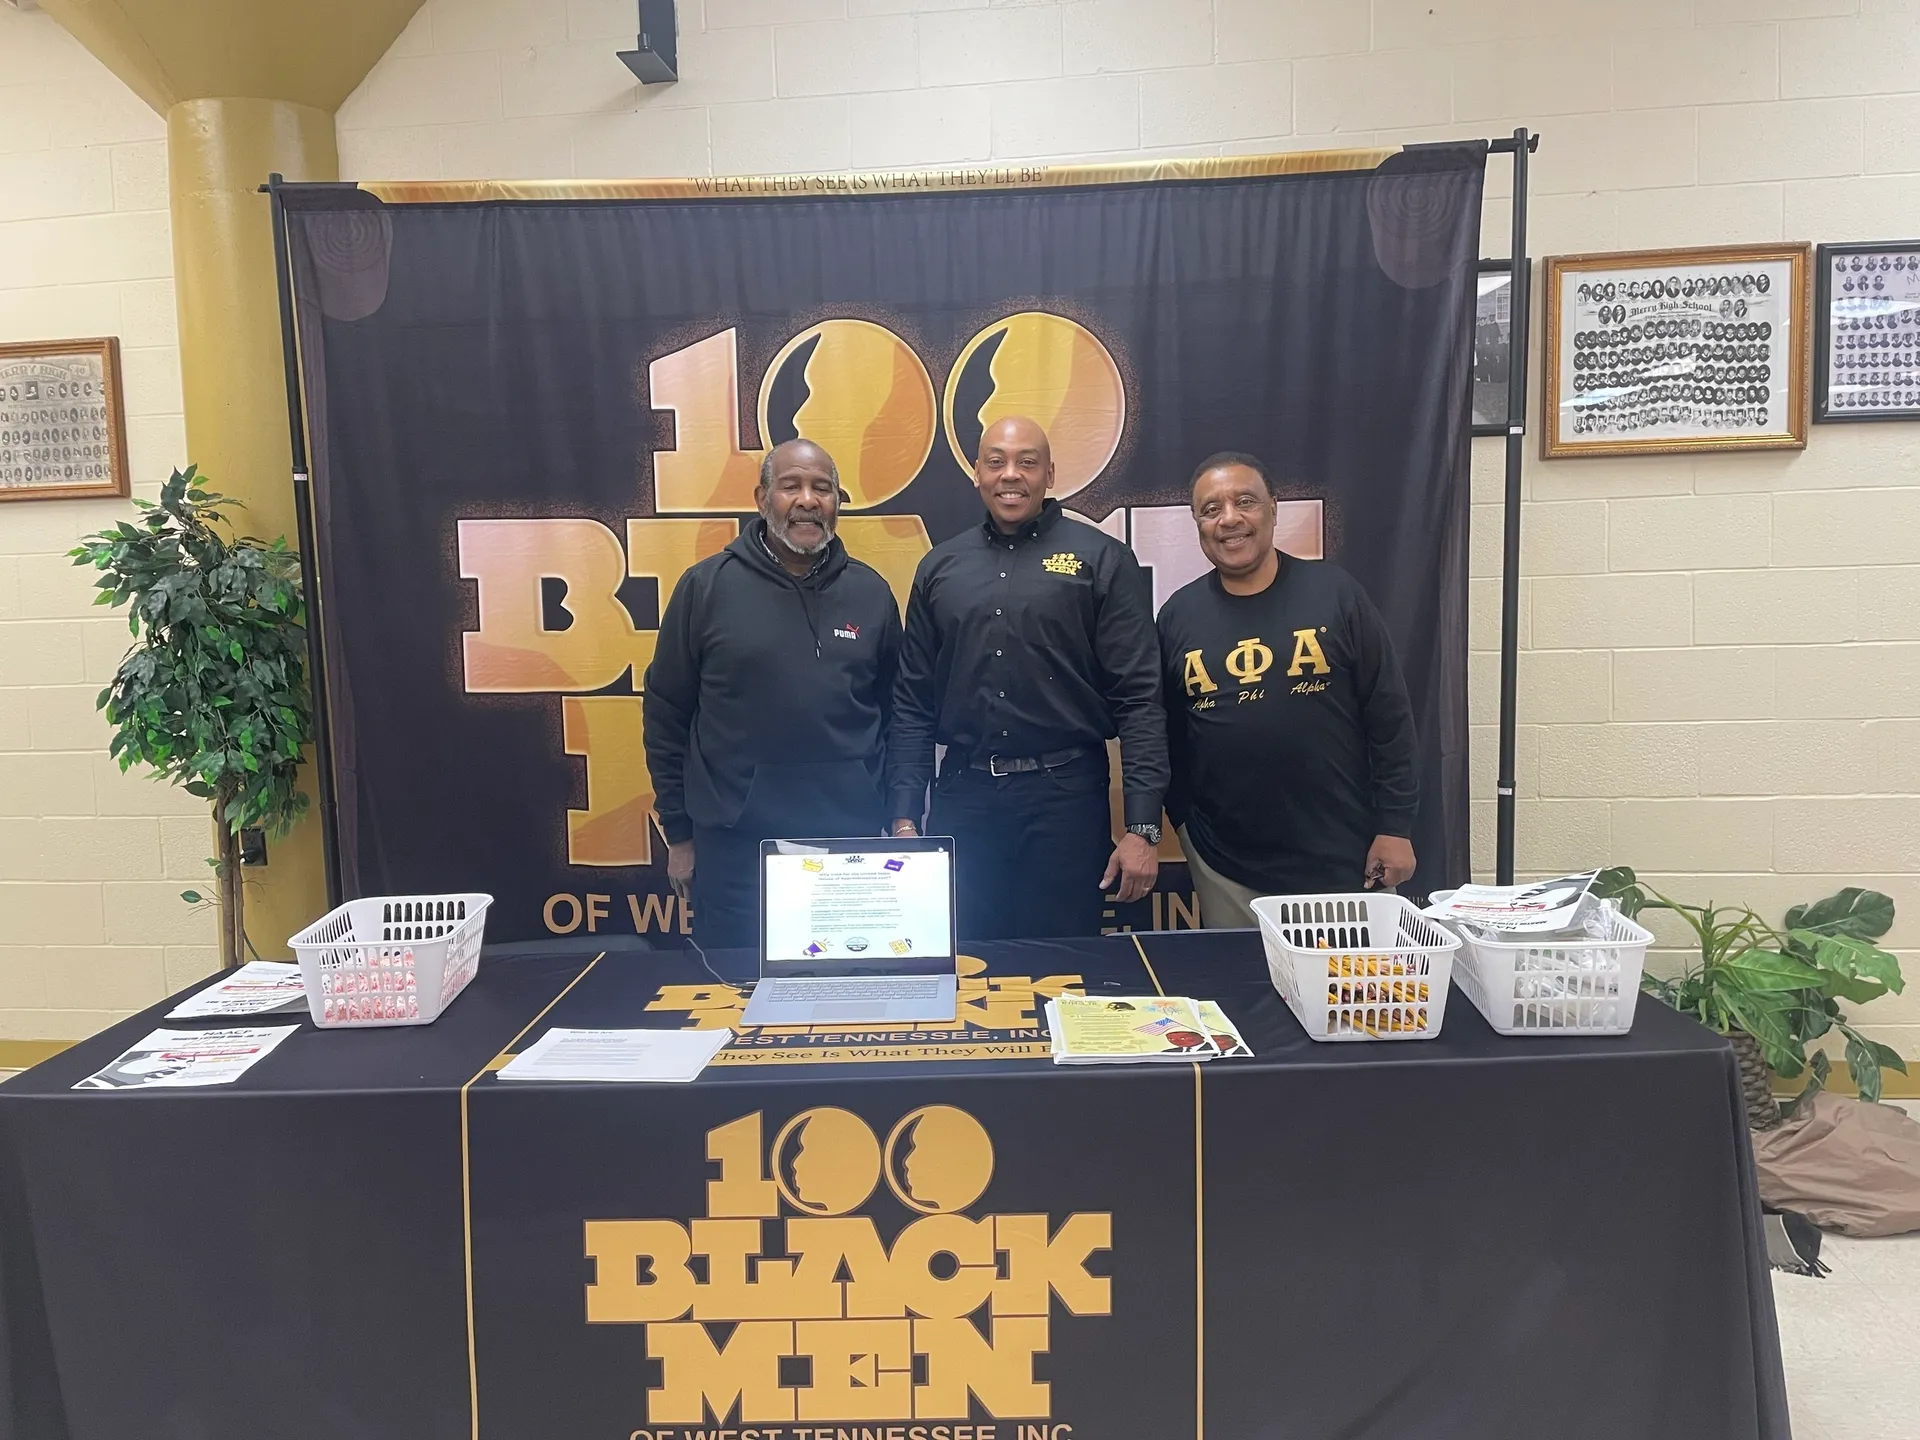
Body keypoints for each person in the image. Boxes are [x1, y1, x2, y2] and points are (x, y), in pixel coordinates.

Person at [888, 415, 1166, 940]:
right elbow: (912, 703)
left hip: (1065, 800)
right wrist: (904, 817)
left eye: (1027, 462)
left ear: (1051, 475)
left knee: (1065, 967)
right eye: (996, 462)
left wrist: (1143, 826)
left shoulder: (1101, 559)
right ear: (977, 473)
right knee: (965, 963)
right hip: (964, 799)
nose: (1010, 474)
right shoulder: (940, 567)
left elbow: (1140, 699)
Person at [642, 438, 901, 950]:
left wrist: (898, 814)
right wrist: (679, 833)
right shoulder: (706, 589)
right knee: (735, 1000)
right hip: (738, 848)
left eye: (822, 488)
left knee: (849, 997)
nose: (808, 500)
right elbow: (667, 714)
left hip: (851, 846)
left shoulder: (871, 594)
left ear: (837, 502)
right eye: (791, 486)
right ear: (763, 499)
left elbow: (899, 716)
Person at [1157, 452, 1418, 928]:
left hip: (1344, 861)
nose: (1229, 519)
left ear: (1274, 510)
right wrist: (1186, 828)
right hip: (1226, 871)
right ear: (1197, 524)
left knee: (1350, 1000)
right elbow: (1166, 734)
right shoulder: (1177, 616)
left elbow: (1390, 719)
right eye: (1211, 509)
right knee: (1239, 998)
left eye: (1245, 502)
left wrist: (1394, 828)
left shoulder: (1336, 593)